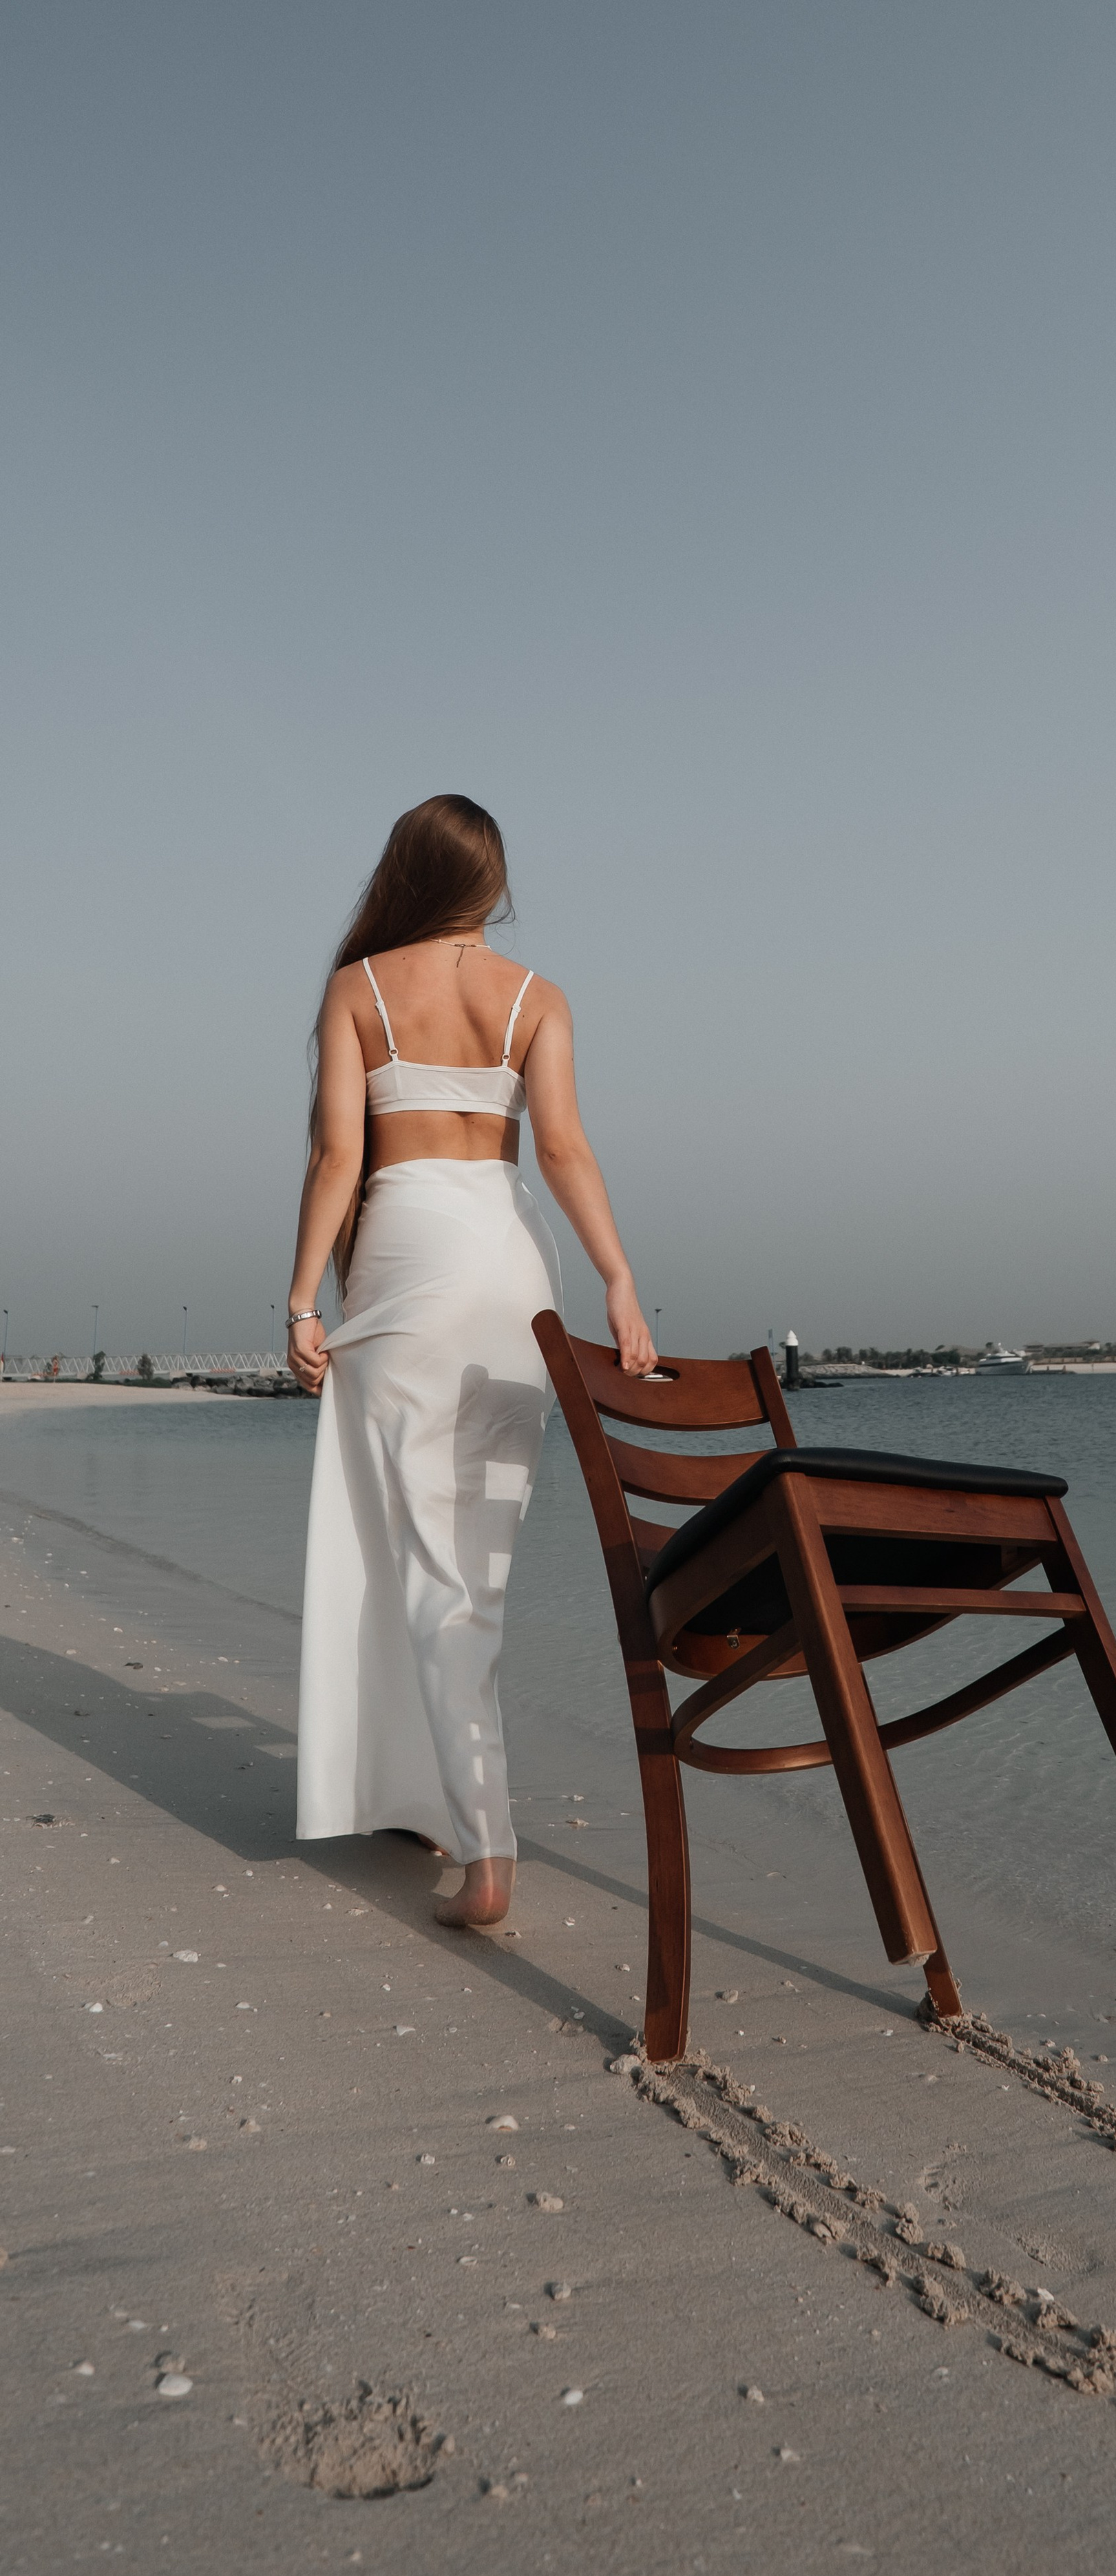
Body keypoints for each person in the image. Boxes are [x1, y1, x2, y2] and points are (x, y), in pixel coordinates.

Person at [286, 794, 655, 1929]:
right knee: (472, 1572)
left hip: (404, 1271)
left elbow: (341, 1153)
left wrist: (301, 1297)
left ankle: (485, 1851)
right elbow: (561, 1146)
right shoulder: (536, 998)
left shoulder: (360, 990)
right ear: (491, 884)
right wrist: (620, 1281)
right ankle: (434, 1800)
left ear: (406, 872)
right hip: (508, 1274)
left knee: (409, 1553)